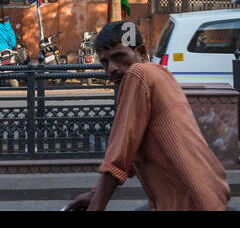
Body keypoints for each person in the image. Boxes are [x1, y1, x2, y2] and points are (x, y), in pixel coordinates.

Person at [65, 21, 229, 211]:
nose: (112, 68)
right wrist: (94, 195)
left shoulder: (138, 73)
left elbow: (119, 155)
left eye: (119, 57)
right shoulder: (159, 73)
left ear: (141, 52)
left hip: (189, 203)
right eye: (105, 62)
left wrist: (96, 207)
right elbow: (131, 155)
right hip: (208, 194)